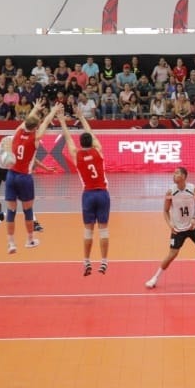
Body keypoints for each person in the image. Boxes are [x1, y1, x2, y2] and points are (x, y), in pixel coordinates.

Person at [144, 167, 195, 289]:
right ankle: (155, 278)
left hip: (193, 226)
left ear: (184, 176)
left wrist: (194, 218)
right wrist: (170, 224)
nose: (174, 175)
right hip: (178, 229)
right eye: (174, 173)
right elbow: (165, 210)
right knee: (172, 255)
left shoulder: (193, 189)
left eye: (177, 173)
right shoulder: (170, 192)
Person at [2, 103, 61, 254]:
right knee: (28, 210)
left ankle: (11, 244)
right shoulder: (35, 137)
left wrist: (35, 109)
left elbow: (28, 121)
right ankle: (30, 240)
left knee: (11, 210)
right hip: (24, 177)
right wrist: (53, 111)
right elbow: (46, 122)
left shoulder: (17, 132)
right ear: (36, 127)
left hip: (11, 175)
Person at [59, 109, 112, 275]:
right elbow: (91, 133)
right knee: (103, 229)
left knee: (88, 230)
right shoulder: (98, 151)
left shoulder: (77, 155)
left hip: (88, 195)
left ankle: (87, 261)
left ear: (80, 143)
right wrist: (81, 117)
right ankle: (104, 262)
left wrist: (62, 121)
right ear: (92, 142)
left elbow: (68, 138)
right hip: (102, 194)